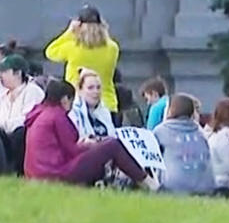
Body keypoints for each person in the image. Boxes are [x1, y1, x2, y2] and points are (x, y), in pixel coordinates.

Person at [24, 80, 158, 189]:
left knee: (106, 146)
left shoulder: (39, 114)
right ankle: (149, 183)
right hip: (55, 174)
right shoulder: (57, 116)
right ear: (65, 99)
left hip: (36, 173)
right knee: (112, 145)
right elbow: (72, 150)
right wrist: (89, 145)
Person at [44, 5, 121, 124]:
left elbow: (50, 52)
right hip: (107, 103)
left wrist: (69, 32)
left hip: (77, 105)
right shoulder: (113, 48)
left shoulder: (72, 47)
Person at [153, 93, 216, 194]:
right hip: (205, 187)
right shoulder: (201, 132)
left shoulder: (161, 131)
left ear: (170, 110)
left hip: (173, 187)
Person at [0, 54, 45, 173]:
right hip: (4, 136)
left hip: (21, 138)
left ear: (18, 73)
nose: (1, 76)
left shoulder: (32, 91)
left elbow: (27, 119)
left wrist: (4, 125)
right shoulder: (3, 95)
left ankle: (16, 169)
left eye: (5, 72)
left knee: (20, 132)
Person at [68, 69, 116, 140]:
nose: (96, 92)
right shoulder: (73, 113)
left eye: (98, 87)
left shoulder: (105, 112)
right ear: (80, 90)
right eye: (90, 88)